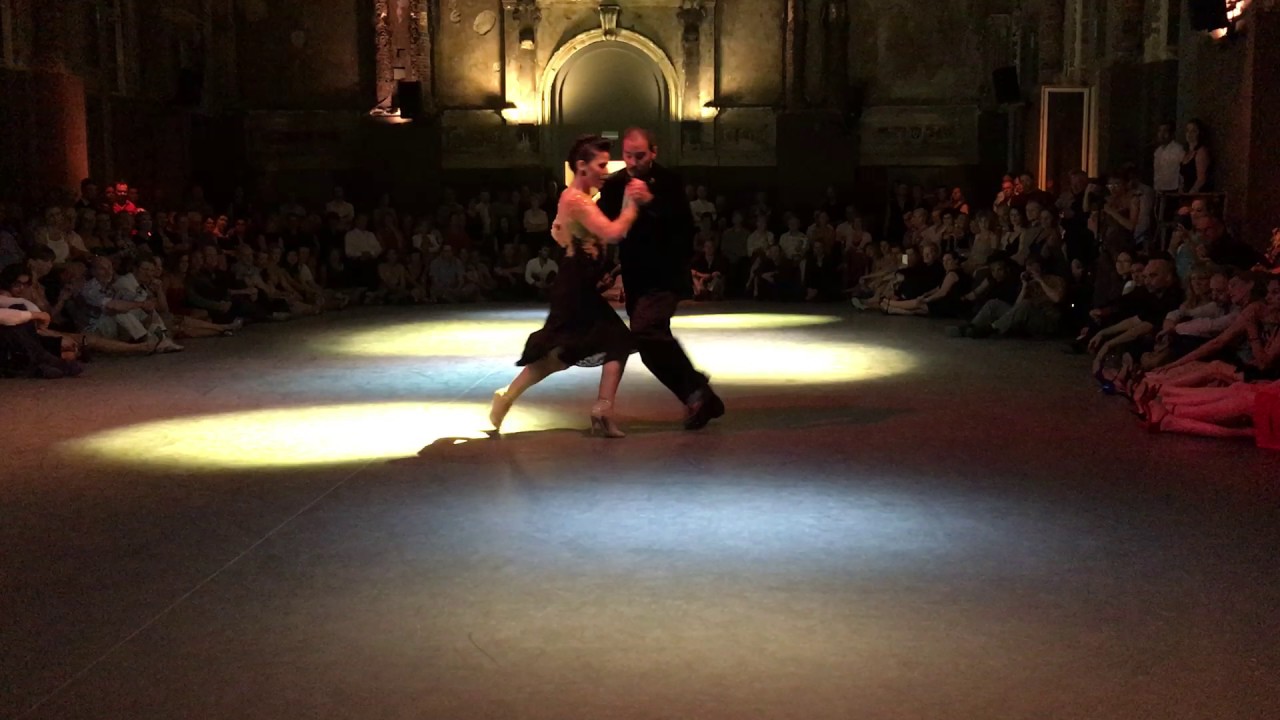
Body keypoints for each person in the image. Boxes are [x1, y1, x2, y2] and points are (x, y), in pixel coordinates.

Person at [488, 135, 651, 438]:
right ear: (581, 166)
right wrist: (632, 204)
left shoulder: (575, 199)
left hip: (579, 286)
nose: (606, 171)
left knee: (565, 356)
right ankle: (600, 409)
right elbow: (613, 233)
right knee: (604, 345)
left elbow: (559, 233)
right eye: (601, 165)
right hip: (574, 290)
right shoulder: (576, 200)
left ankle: (509, 397)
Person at [598, 127, 726, 430]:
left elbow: (685, 229)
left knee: (646, 330)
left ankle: (697, 392)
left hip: (666, 275)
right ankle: (700, 395)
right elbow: (600, 223)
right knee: (648, 345)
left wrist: (651, 202)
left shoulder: (669, 182)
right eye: (628, 155)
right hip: (635, 277)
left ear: (653, 152)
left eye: (640, 155)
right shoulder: (615, 185)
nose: (633, 162)